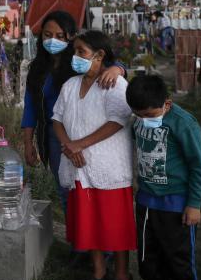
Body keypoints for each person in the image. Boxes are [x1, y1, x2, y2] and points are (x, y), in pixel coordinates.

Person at [52, 30, 136, 280]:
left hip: (108, 166)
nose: (76, 57)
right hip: (78, 165)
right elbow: (57, 118)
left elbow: (118, 120)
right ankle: (99, 273)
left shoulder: (114, 84)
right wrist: (68, 145)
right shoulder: (71, 85)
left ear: (100, 56)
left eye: (81, 52)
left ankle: (122, 278)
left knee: (113, 224)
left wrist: (81, 144)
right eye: (74, 51)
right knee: (89, 222)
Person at [22, 11, 125, 215]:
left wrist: (118, 69)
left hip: (82, 131)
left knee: (87, 185)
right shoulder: (37, 68)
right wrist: (28, 143)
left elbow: (108, 64)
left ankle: (93, 236)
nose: (52, 40)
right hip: (53, 134)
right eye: (47, 35)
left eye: (60, 36)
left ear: (70, 35)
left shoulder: (80, 60)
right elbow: (30, 107)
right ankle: (77, 240)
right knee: (65, 186)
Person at [126, 75, 201, 280]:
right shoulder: (137, 120)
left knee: (178, 258)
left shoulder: (183, 124)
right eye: (140, 115)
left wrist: (194, 204)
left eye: (151, 115)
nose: (145, 120)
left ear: (167, 104)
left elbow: (199, 166)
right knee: (147, 257)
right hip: (147, 201)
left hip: (177, 204)